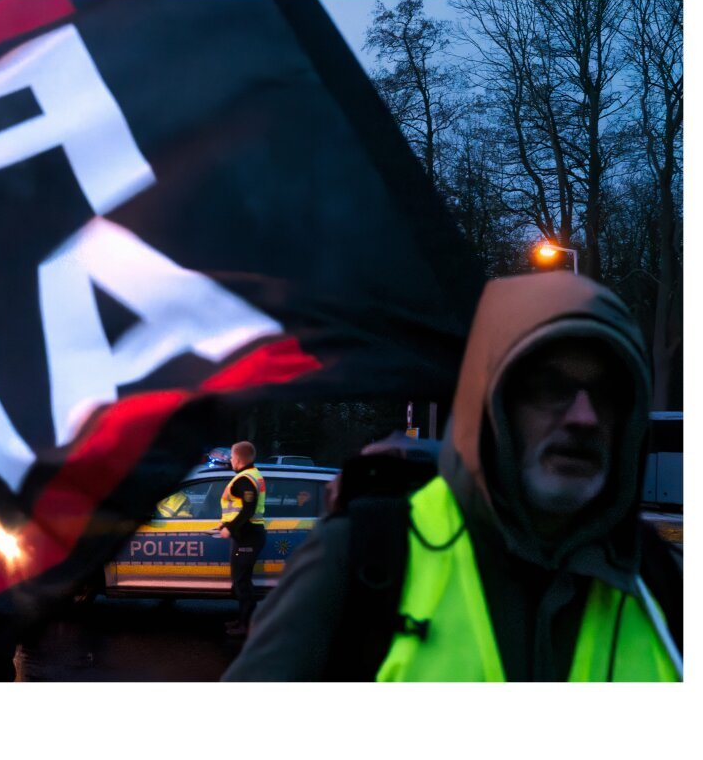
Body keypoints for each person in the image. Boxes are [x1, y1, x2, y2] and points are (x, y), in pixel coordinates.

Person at [224, 272, 682, 681]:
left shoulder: (661, 581)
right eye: (549, 388)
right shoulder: (362, 555)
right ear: (488, 406)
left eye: (607, 393)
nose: (584, 417)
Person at [216, 440, 267, 638]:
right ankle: (243, 620)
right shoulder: (252, 475)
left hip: (248, 536)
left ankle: (247, 626)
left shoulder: (244, 480)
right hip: (247, 535)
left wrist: (230, 527)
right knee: (240, 582)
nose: (230, 460)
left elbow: (248, 508)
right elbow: (239, 509)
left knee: (242, 583)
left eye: (231, 457)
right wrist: (225, 524)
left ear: (237, 458)